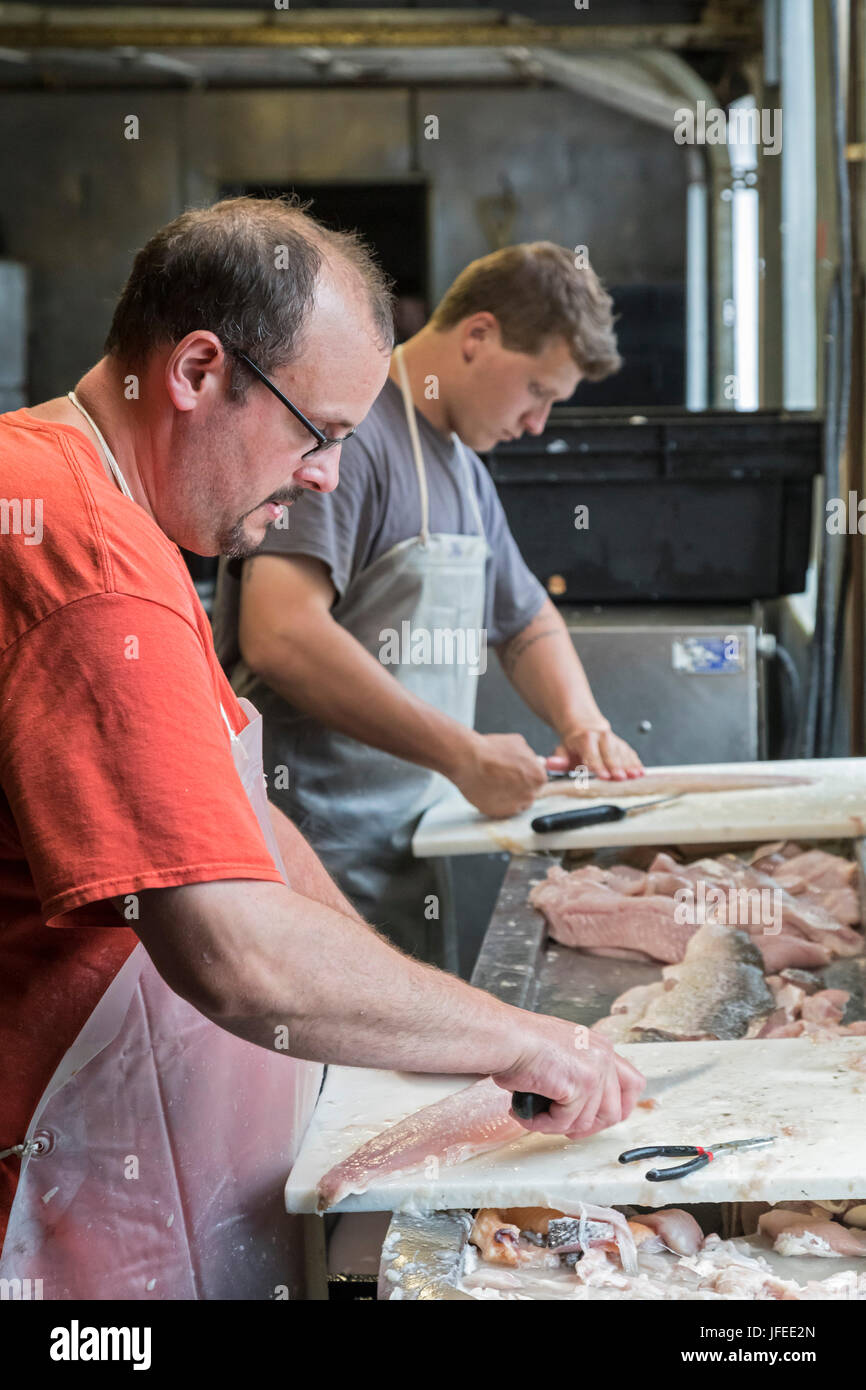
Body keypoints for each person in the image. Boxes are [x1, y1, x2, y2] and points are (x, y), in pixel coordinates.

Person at [0, 199, 643, 1299]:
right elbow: (236, 952)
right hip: (48, 1176)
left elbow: (249, 819)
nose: (327, 480)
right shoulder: (88, 556)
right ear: (198, 371)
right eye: (321, 432)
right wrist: (513, 1040)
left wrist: (411, 1028)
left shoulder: (97, 503)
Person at [214, 243, 643, 963]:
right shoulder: (354, 434)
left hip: (404, 852)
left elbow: (526, 619)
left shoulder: (465, 471)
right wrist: (463, 755)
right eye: (537, 391)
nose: (538, 424)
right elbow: (280, 634)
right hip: (304, 860)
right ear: (477, 337)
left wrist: (585, 724)